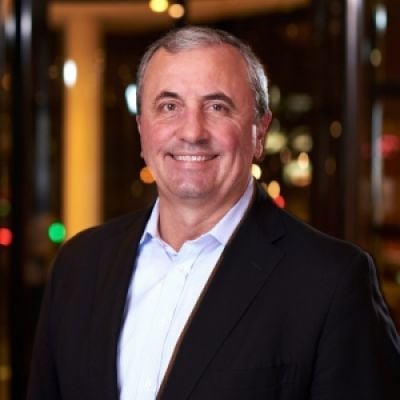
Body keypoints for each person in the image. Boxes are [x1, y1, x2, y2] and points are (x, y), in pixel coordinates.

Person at [28, 26, 400, 400]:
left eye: (217, 106)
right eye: (169, 106)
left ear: (260, 133)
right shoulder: (78, 265)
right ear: (142, 131)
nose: (192, 131)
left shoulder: (332, 282)